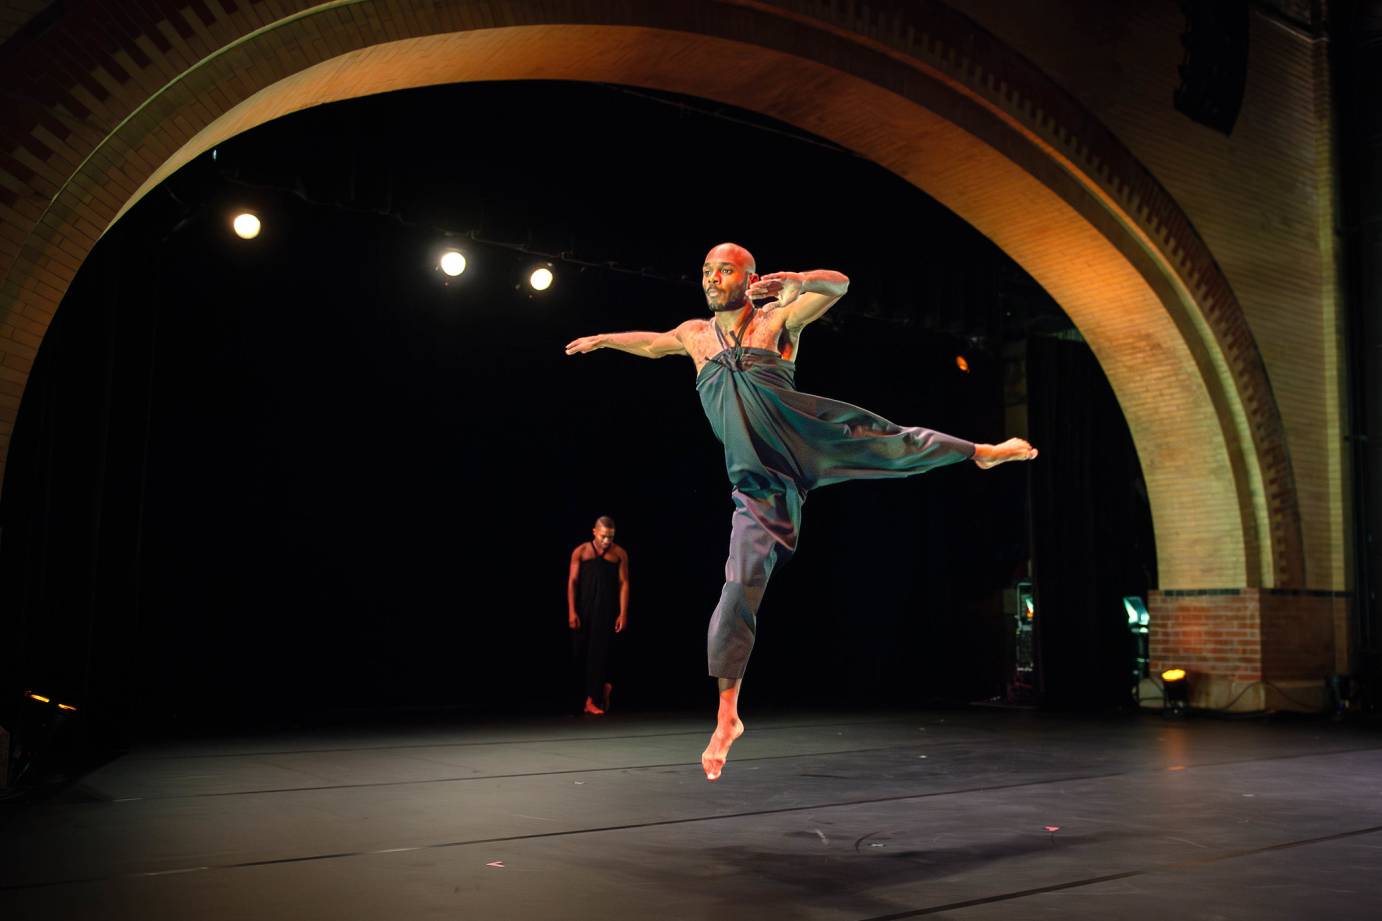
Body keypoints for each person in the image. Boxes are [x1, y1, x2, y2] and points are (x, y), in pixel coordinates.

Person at [565, 243, 1037, 780]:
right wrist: (605, 339)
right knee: (738, 586)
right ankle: (727, 715)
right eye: (707, 271)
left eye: (724, 271)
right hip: (757, 485)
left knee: (890, 442)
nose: (712, 278)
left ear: (750, 279)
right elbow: (652, 344)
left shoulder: (776, 320)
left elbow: (840, 285)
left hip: (806, 439)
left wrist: (802, 278)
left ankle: (980, 453)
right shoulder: (695, 334)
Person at [568, 516, 629, 715]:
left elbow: (624, 584)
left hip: (605, 610)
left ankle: (592, 700)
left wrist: (623, 613)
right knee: (580, 652)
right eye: (603, 536)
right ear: (594, 532)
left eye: (610, 537)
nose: (606, 541)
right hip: (584, 608)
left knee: (598, 653)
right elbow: (572, 582)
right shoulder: (581, 551)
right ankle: (598, 690)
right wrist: (572, 610)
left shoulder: (619, 553)